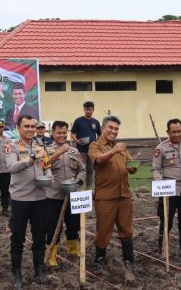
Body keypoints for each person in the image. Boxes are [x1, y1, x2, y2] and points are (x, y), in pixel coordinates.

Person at [5, 114, 52, 289]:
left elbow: (46, 167)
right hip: (21, 198)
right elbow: (12, 167)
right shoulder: (12, 147)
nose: (31, 129)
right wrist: (31, 158)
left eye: (33, 126)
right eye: (27, 126)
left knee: (39, 236)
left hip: (40, 197)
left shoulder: (41, 146)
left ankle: (39, 270)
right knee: (18, 237)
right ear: (18, 127)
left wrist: (49, 178)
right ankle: (16, 272)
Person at [89, 115, 138, 275]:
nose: (113, 131)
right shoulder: (95, 146)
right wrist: (114, 150)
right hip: (105, 197)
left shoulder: (121, 147)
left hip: (124, 196)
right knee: (103, 229)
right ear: (103, 128)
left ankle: (129, 260)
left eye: (116, 129)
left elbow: (129, 164)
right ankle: (99, 260)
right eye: (110, 127)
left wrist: (132, 167)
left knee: (126, 228)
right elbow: (99, 160)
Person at [151, 118, 181, 258]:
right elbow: (155, 169)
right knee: (166, 220)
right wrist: (160, 183)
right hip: (169, 190)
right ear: (168, 132)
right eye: (173, 132)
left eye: (179, 131)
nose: (177, 134)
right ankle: (163, 249)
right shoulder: (161, 148)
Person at [43, 121, 85, 266]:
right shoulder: (46, 151)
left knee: (74, 224)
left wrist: (78, 181)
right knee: (53, 227)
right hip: (53, 196)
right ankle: (51, 254)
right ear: (53, 133)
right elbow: (43, 166)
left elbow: (82, 169)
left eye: (64, 132)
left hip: (72, 195)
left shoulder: (74, 151)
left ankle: (73, 249)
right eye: (59, 132)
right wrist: (59, 152)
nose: (62, 135)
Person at [71, 101, 101, 188]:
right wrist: (77, 140)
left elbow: (99, 134)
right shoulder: (78, 121)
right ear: (84, 110)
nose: (88, 111)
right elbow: (72, 133)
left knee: (90, 170)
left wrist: (97, 142)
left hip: (92, 151)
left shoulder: (96, 122)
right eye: (87, 109)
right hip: (81, 150)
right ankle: (77, 187)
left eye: (90, 109)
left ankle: (88, 188)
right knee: (80, 169)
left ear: (93, 110)